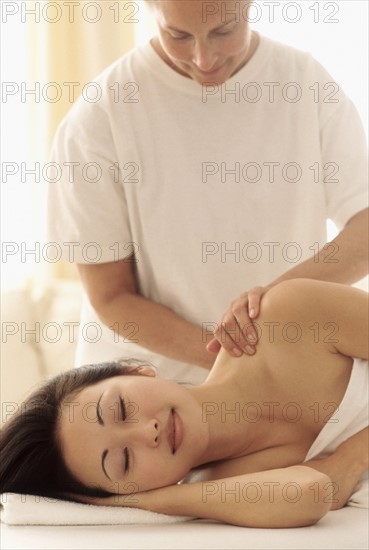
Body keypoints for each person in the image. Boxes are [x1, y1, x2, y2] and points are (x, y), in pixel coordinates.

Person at [47, 0, 368, 386]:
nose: (203, 59)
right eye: (177, 35)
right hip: (152, 394)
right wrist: (237, 356)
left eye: (224, 31)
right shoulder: (99, 117)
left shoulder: (305, 83)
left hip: (280, 380)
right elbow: (112, 297)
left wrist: (270, 307)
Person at [1, 279, 368, 528]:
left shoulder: (283, 317)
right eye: (123, 461)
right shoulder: (223, 486)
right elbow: (312, 492)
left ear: (136, 371)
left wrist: (352, 458)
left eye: (122, 409)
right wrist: (138, 504)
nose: (149, 432)